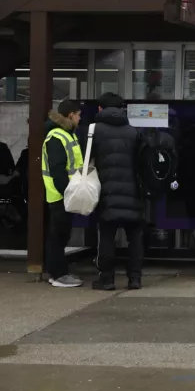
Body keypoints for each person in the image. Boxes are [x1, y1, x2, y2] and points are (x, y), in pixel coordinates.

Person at [90, 92, 145, 291]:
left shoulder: (94, 131)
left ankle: (107, 279)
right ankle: (135, 279)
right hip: (133, 193)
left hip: (106, 193)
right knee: (135, 239)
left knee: (106, 237)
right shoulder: (133, 131)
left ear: (100, 109)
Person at [42, 100, 84, 288]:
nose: (80, 118)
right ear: (70, 115)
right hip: (61, 194)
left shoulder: (66, 135)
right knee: (58, 235)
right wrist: (69, 192)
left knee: (61, 234)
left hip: (65, 193)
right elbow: (58, 169)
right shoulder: (57, 137)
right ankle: (58, 274)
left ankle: (58, 272)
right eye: (78, 114)